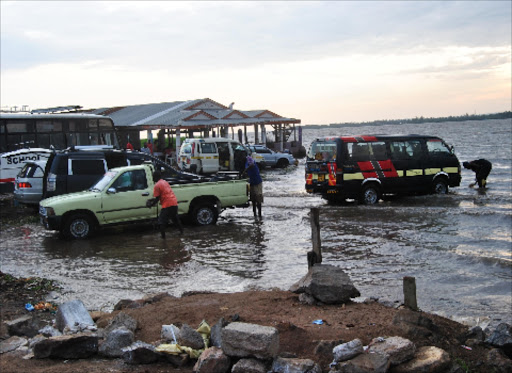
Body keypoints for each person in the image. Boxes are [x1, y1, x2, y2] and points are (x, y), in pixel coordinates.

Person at [146, 171, 183, 238]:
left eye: (153, 177)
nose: (152, 179)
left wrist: (150, 205)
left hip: (167, 205)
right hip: (174, 203)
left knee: (161, 222)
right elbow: (161, 195)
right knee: (176, 220)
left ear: (156, 177)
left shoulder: (157, 185)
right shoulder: (165, 182)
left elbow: (157, 199)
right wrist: (151, 200)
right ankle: (182, 233)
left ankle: (163, 239)